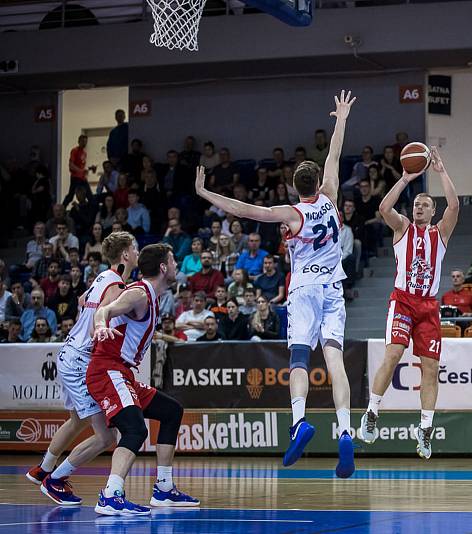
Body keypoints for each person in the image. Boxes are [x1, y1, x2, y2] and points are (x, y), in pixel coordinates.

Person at [196, 90, 357, 478]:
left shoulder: (289, 213)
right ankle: (346, 430)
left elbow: (242, 209)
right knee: (334, 359)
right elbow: (334, 154)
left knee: (299, 358)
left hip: (303, 291)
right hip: (334, 288)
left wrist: (204, 191)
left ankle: (300, 421)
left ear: (294, 186)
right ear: (318, 181)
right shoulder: (332, 198)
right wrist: (341, 119)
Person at [359, 145, 458, 460]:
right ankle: (373, 411)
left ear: (432, 212)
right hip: (402, 302)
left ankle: (425, 430)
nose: (419, 207)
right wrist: (404, 179)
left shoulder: (440, 233)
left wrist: (441, 172)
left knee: (431, 367)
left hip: (428, 307)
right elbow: (384, 208)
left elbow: (454, 206)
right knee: (393, 354)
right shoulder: (402, 228)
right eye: (417, 203)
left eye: (425, 204)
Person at [26, 232, 137, 507]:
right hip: (79, 361)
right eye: (134, 248)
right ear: (125, 255)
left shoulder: (103, 276)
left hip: (68, 354)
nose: (137, 252)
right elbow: (95, 324)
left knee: (78, 419)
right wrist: (104, 326)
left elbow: (80, 301)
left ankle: (43, 469)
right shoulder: (116, 287)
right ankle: (55, 481)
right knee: (106, 436)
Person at [87, 243, 198, 515]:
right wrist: (101, 325)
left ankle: (163, 489)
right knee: (135, 430)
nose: (176, 265)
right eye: (173, 261)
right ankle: (110, 495)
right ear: (163, 267)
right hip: (107, 369)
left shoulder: (151, 296)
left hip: (122, 372)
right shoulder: (139, 294)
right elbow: (104, 311)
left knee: (171, 411)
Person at [64, 134, 95, 206]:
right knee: (70, 196)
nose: (84, 143)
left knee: (90, 196)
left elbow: (81, 167)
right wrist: (80, 171)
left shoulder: (84, 153)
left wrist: (90, 168)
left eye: (85, 141)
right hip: (75, 177)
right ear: (79, 141)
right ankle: (62, 209)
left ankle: (91, 211)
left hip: (82, 177)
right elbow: (71, 165)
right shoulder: (74, 151)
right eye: (82, 141)